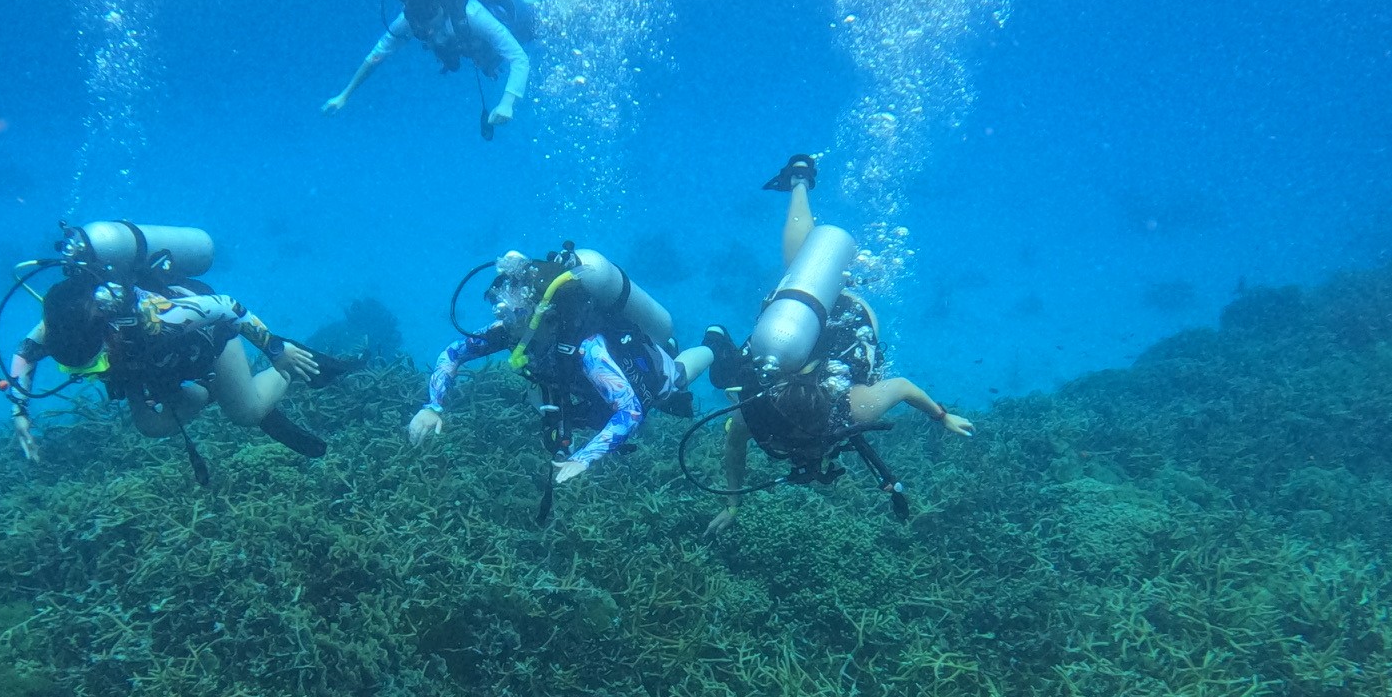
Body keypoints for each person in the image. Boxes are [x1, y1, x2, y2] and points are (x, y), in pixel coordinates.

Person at [699, 155, 971, 528]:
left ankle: (803, 191)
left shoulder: (837, 410)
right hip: (799, 324)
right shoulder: (774, 411)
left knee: (810, 275)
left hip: (840, 322)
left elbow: (904, 387)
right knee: (797, 269)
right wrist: (940, 416)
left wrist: (942, 417)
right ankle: (800, 185)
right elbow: (734, 445)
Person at [0, 221, 359, 469]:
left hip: (209, 343)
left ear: (109, 331)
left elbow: (226, 306)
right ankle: (207, 390)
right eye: (76, 371)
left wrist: (275, 349)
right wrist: (19, 414)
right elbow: (23, 356)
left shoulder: (156, 317)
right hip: (156, 362)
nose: (96, 372)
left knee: (246, 415)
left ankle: (290, 369)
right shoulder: (62, 324)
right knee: (151, 426)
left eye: (95, 364)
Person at [409, 244, 711, 488]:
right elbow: (452, 354)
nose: (507, 328)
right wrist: (432, 406)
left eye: (517, 319)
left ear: (547, 318)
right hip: (577, 381)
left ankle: (714, 345)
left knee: (674, 380)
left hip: (633, 367)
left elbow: (630, 410)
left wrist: (585, 457)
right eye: (507, 318)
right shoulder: (514, 329)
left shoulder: (588, 348)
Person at [324, 0, 545, 139]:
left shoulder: (471, 12)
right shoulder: (412, 19)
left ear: (439, 3)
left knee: (542, 21)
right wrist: (345, 94)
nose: (428, 30)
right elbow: (378, 55)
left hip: (513, 18)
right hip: (484, 47)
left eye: (430, 18)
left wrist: (508, 102)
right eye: (419, 21)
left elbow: (518, 57)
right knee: (534, 11)